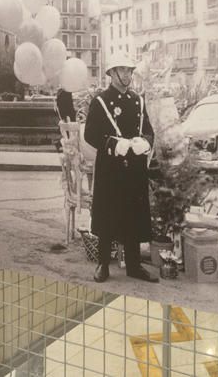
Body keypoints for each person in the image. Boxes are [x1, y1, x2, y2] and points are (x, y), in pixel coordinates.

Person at [84, 51, 158, 284]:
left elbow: (147, 128)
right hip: (111, 168)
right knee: (108, 215)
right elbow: (90, 134)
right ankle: (103, 264)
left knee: (133, 216)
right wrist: (113, 144)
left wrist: (144, 142)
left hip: (134, 167)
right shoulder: (100, 101)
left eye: (130, 70)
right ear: (112, 73)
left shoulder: (138, 100)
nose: (127, 75)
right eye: (123, 70)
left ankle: (134, 266)